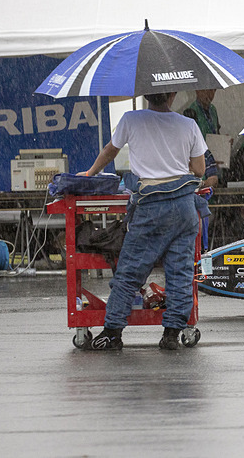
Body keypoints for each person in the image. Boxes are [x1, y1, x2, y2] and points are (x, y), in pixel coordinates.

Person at [82, 91, 208, 350]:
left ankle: (112, 333)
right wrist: (175, 162)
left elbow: (110, 151)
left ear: (145, 94)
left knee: (130, 272)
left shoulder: (131, 119)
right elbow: (199, 170)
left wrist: (90, 173)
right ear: (173, 94)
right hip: (184, 209)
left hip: (151, 207)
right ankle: (171, 334)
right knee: (180, 273)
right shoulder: (189, 125)